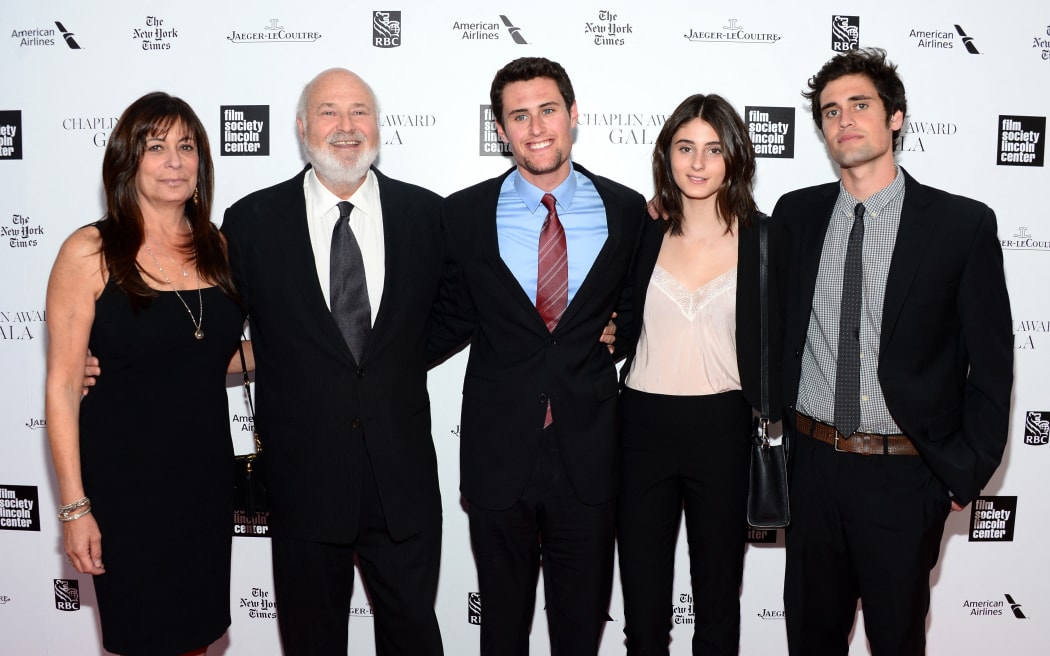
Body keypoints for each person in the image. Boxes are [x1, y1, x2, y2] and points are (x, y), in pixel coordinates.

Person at [775, 47, 1013, 655]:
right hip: (812, 467)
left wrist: (963, 472)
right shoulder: (796, 215)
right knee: (809, 640)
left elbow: (991, 363)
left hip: (905, 477)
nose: (844, 120)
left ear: (896, 117)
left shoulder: (960, 226)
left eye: (860, 105)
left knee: (897, 641)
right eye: (830, 111)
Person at [220, 68, 445, 656]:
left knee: (415, 637)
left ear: (377, 125)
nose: (346, 127)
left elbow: (463, 313)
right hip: (303, 482)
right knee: (311, 643)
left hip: (403, 480)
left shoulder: (426, 216)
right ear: (301, 127)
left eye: (359, 112)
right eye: (328, 112)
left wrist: (392, 363)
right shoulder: (250, 223)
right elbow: (212, 330)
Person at [431, 56, 646, 656]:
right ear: (500, 130)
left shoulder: (628, 212)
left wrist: (618, 333)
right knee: (502, 629)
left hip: (592, 450)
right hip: (498, 451)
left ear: (573, 115)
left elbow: (642, 308)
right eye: (518, 116)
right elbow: (445, 317)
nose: (536, 127)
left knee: (580, 630)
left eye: (547, 110)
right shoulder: (463, 215)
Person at [45, 92, 243, 656]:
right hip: (125, 487)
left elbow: (207, 355)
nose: (175, 161)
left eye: (187, 147)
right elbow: (62, 385)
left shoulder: (219, 248)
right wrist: (74, 508)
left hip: (203, 481)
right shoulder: (90, 251)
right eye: (157, 148)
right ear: (128, 162)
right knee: (142, 640)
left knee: (198, 638)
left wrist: (301, 347)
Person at [616, 93, 781, 655]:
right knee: (642, 611)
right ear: (667, 155)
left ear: (734, 156)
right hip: (639, 426)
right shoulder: (640, 232)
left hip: (724, 426)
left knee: (716, 609)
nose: (697, 162)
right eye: (685, 147)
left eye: (713, 149)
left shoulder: (765, 238)